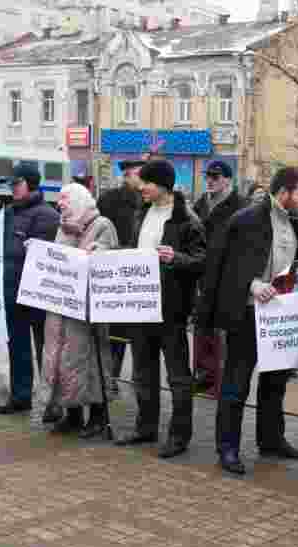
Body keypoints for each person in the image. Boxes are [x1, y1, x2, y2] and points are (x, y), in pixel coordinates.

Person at [199, 167, 298, 475]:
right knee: (236, 383)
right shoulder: (247, 219)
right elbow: (225, 264)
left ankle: (272, 439)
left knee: (275, 382)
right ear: (284, 192)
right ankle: (227, 448)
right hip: (248, 314)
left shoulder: (296, 222)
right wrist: (251, 284)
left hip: (282, 314)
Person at [114, 159, 206, 459]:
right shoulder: (141, 213)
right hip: (141, 306)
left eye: (147, 182)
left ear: (163, 185)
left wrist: (175, 258)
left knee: (178, 376)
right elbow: (134, 252)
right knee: (143, 371)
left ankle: (179, 436)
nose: (141, 187)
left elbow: (202, 261)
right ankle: (146, 427)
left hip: (171, 309)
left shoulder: (187, 219)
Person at [42, 183, 118, 436]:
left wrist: (100, 253)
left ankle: (98, 416)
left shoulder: (102, 225)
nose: (60, 203)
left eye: (65, 199)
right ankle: (72, 414)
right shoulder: (63, 228)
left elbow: (112, 258)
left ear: (78, 200)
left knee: (92, 361)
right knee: (64, 362)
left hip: (87, 310)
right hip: (61, 308)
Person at [0, 162, 60, 415]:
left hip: (38, 294)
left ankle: (52, 403)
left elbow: (49, 258)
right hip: (12, 291)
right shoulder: (9, 212)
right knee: (17, 347)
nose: (12, 188)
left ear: (31, 184)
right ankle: (20, 396)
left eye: (17, 183)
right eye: (11, 184)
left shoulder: (48, 215)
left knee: (47, 350)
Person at [193, 160, 244, 397]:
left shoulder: (240, 205)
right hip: (202, 274)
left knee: (222, 332)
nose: (210, 181)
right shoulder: (201, 204)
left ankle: (222, 382)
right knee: (202, 328)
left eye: (216, 176)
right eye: (208, 176)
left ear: (228, 180)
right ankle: (204, 377)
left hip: (227, 276)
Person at [98, 158, 145, 399]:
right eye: (138, 174)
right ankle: (111, 378)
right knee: (115, 332)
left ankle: (140, 377)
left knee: (140, 332)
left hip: (141, 275)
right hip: (116, 273)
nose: (143, 178)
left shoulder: (149, 200)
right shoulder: (109, 199)